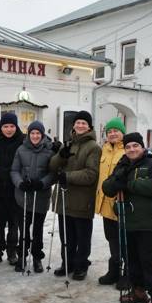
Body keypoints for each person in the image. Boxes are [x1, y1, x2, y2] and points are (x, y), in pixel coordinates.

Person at [103, 132, 152, 303]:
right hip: (127, 221)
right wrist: (118, 181)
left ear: (142, 147)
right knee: (132, 259)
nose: (132, 149)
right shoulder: (123, 164)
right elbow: (108, 188)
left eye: (135, 146)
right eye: (129, 146)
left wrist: (129, 184)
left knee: (149, 261)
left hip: (149, 222)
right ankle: (139, 290)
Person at [49, 110, 101, 281]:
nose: (80, 125)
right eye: (78, 122)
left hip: (82, 199)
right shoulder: (68, 143)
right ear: (74, 125)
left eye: (83, 123)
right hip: (64, 197)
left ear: (89, 127)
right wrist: (60, 157)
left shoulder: (93, 147)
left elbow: (91, 174)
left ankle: (81, 265)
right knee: (66, 235)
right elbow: (53, 166)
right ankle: (67, 263)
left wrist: (67, 176)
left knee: (82, 236)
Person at [10, 121, 55, 273]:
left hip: (41, 197)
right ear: (29, 134)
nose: (35, 136)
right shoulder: (21, 149)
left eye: (38, 133)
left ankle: (37, 257)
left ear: (42, 135)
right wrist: (20, 183)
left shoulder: (49, 151)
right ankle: (21, 256)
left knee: (37, 230)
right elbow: (14, 170)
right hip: (23, 197)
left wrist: (43, 183)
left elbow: (53, 173)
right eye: (32, 133)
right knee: (23, 229)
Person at [0, 112, 25, 267]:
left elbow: (40, 144)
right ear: (1, 127)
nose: (9, 129)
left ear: (16, 126)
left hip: (16, 188)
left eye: (12, 126)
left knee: (14, 222)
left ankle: (12, 251)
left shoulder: (22, 140)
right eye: (5, 126)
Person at [95, 117, 129, 289]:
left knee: (125, 241)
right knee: (112, 239)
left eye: (116, 130)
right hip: (106, 204)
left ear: (122, 132)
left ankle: (127, 274)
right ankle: (114, 271)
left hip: (121, 205)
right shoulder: (104, 150)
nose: (113, 134)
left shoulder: (128, 149)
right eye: (109, 131)